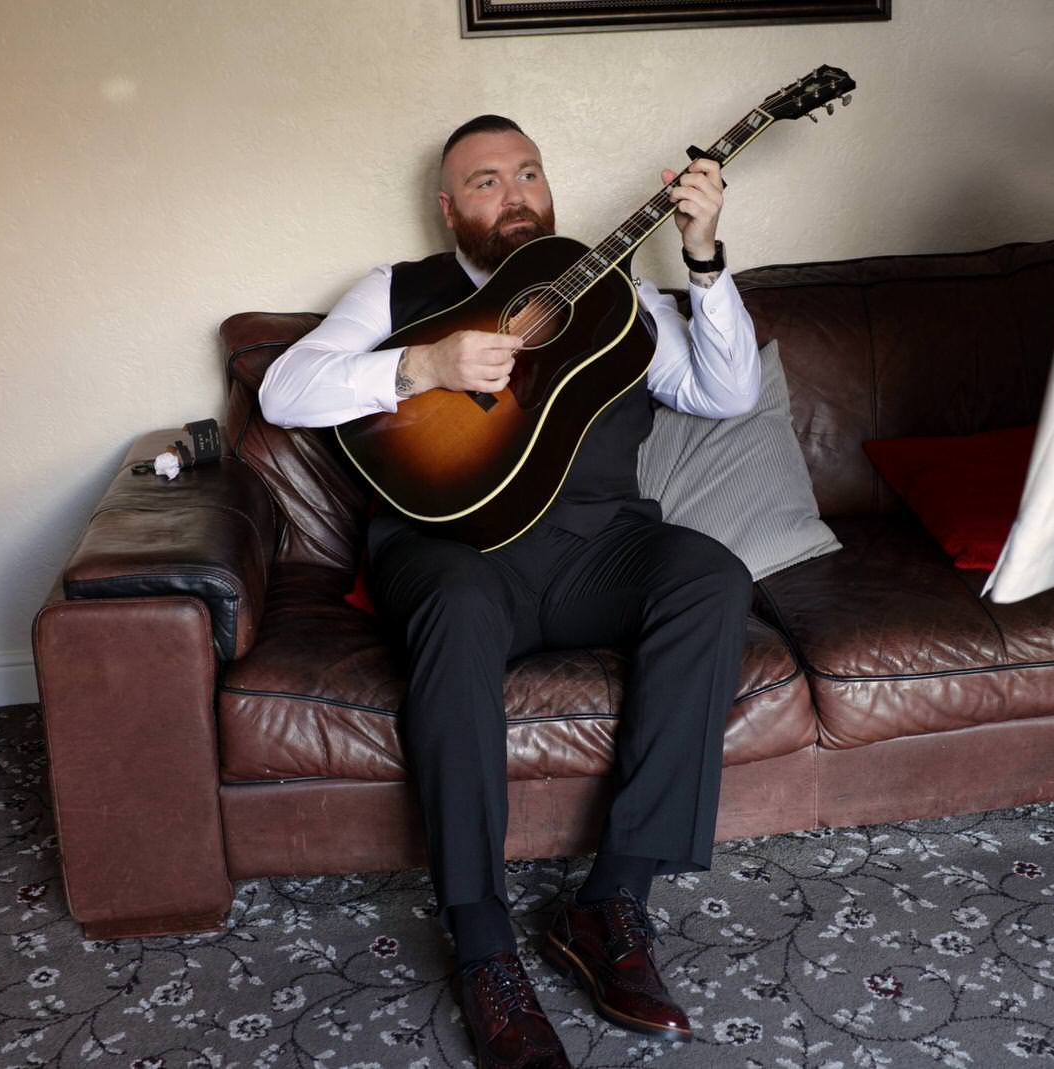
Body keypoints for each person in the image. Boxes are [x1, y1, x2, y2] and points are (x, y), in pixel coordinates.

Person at [260, 115, 761, 1069]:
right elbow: (287, 390)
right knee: (450, 606)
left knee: (711, 578)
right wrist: (422, 365)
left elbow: (725, 392)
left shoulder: (622, 302)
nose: (517, 193)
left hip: (596, 549)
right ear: (449, 208)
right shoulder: (399, 293)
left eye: (528, 172)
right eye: (487, 181)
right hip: (450, 550)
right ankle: (483, 943)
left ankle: (611, 901)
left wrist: (702, 259)